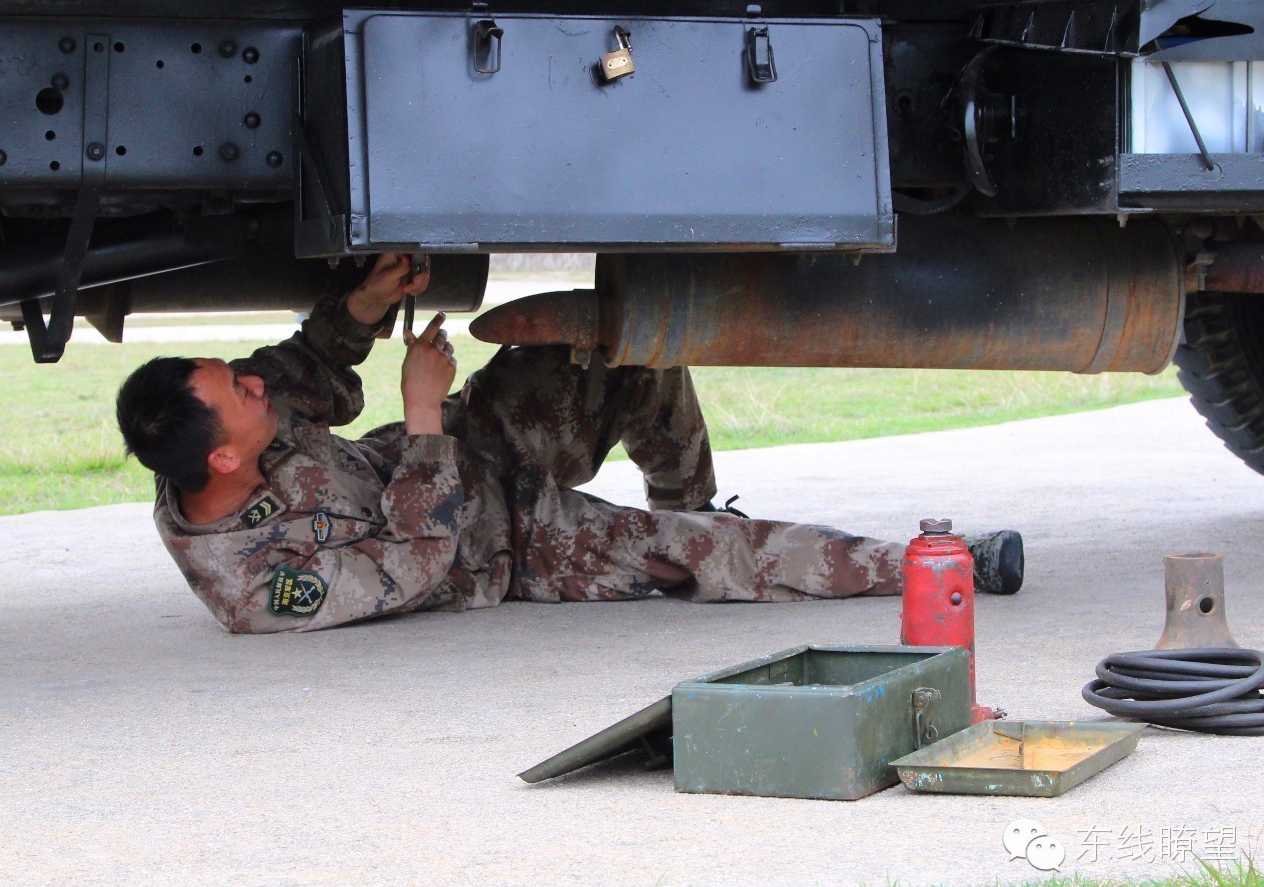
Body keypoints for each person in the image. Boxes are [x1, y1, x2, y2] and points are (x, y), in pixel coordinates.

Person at [116, 254, 1023, 634]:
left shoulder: (209, 446)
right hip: (501, 541)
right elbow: (419, 561)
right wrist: (423, 413)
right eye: (240, 392)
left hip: (454, 452)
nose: (257, 385)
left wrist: (365, 303)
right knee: (693, 555)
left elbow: (305, 368)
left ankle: (695, 515)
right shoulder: (258, 589)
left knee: (613, 354)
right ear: (224, 458)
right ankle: (931, 564)